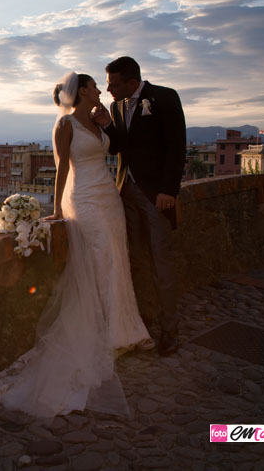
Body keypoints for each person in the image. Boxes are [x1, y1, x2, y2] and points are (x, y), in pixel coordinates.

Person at [0, 72, 152, 418]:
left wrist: (106, 123)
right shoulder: (64, 127)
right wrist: (57, 210)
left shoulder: (96, 120)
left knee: (116, 258)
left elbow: (118, 149)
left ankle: (122, 330)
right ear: (82, 92)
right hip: (85, 200)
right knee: (97, 262)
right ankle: (104, 336)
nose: (99, 91)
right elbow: (62, 169)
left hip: (108, 198)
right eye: (94, 87)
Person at [92, 56, 187, 356]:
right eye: (107, 84)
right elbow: (121, 147)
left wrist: (168, 190)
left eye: (114, 84)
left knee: (161, 262)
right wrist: (107, 126)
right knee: (135, 261)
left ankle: (169, 330)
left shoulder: (164, 97)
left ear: (132, 82)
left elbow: (176, 146)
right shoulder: (116, 107)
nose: (108, 90)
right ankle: (140, 322)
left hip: (155, 195)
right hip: (126, 191)